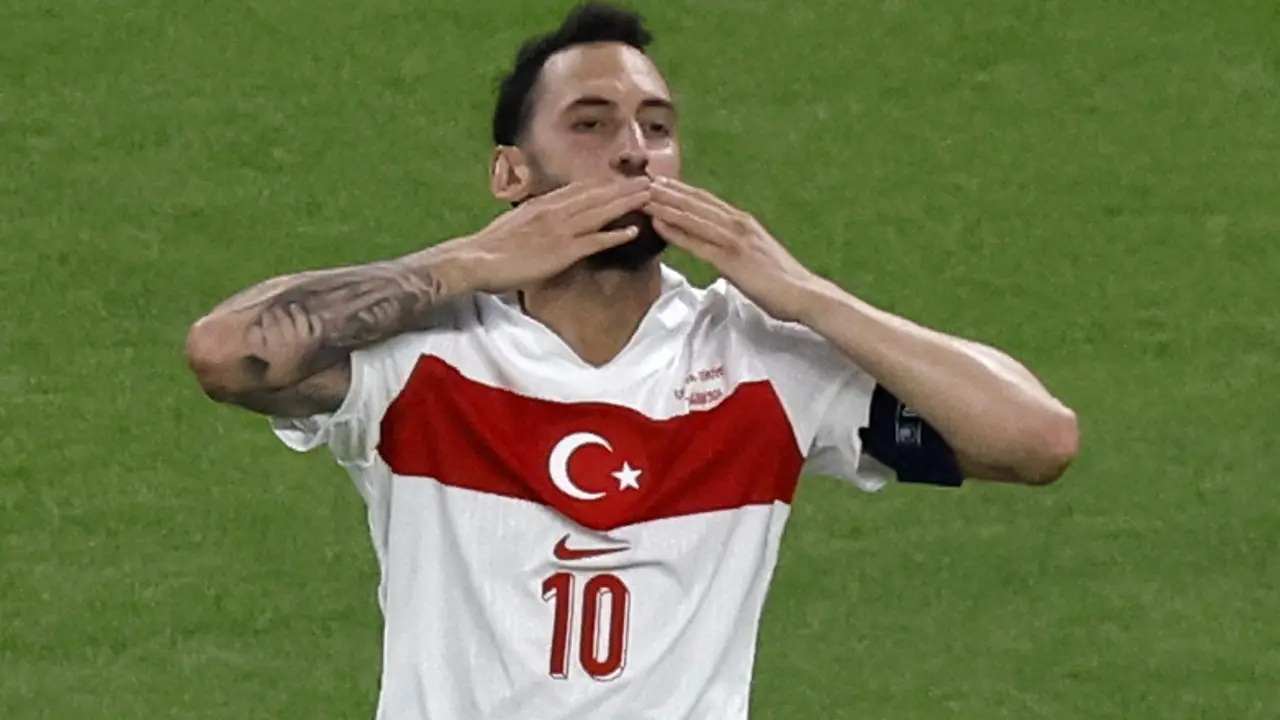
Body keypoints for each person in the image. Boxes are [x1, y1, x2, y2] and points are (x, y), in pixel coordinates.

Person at [184, 3, 1079, 718]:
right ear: (512, 173)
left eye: (657, 127)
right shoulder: (422, 361)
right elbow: (227, 354)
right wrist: (469, 263)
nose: (633, 152)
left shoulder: (760, 363)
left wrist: (808, 295)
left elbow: (1037, 440)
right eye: (591, 123)